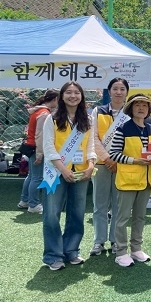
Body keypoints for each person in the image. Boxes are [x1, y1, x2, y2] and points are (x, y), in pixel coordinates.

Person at [41, 81, 96, 271]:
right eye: (69, 93)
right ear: (62, 96)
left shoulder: (88, 119)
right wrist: (63, 170)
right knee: (51, 214)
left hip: (81, 172)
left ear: (82, 96)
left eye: (77, 93)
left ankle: (71, 251)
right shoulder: (53, 118)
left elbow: (90, 147)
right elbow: (48, 148)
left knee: (77, 213)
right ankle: (53, 255)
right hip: (55, 173)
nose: (73, 96)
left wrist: (91, 165)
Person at [109, 94, 151, 267]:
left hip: (146, 181)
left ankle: (136, 249)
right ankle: (121, 251)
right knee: (122, 218)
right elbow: (113, 154)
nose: (141, 108)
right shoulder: (123, 128)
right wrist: (134, 161)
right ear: (131, 109)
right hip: (128, 180)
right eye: (137, 105)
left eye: (144, 105)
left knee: (140, 216)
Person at [89, 78, 129, 256]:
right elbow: (93, 138)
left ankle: (115, 240)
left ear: (127, 92)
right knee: (100, 204)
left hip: (123, 164)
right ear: (109, 91)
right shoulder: (99, 111)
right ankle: (99, 241)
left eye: (122, 89)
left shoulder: (130, 112)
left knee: (118, 205)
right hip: (101, 164)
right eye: (115, 89)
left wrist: (117, 160)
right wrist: (107, 159)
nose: (119, 92)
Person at [17, 90, 59, 214]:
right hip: (37, 148)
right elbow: (40, 135)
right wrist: (40, 153)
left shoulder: (37, 111)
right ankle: (33, 204)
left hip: (31, 146)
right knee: (37, 177)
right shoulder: (45, 114)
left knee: (32, 176)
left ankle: (25, 200)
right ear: (55, 99)